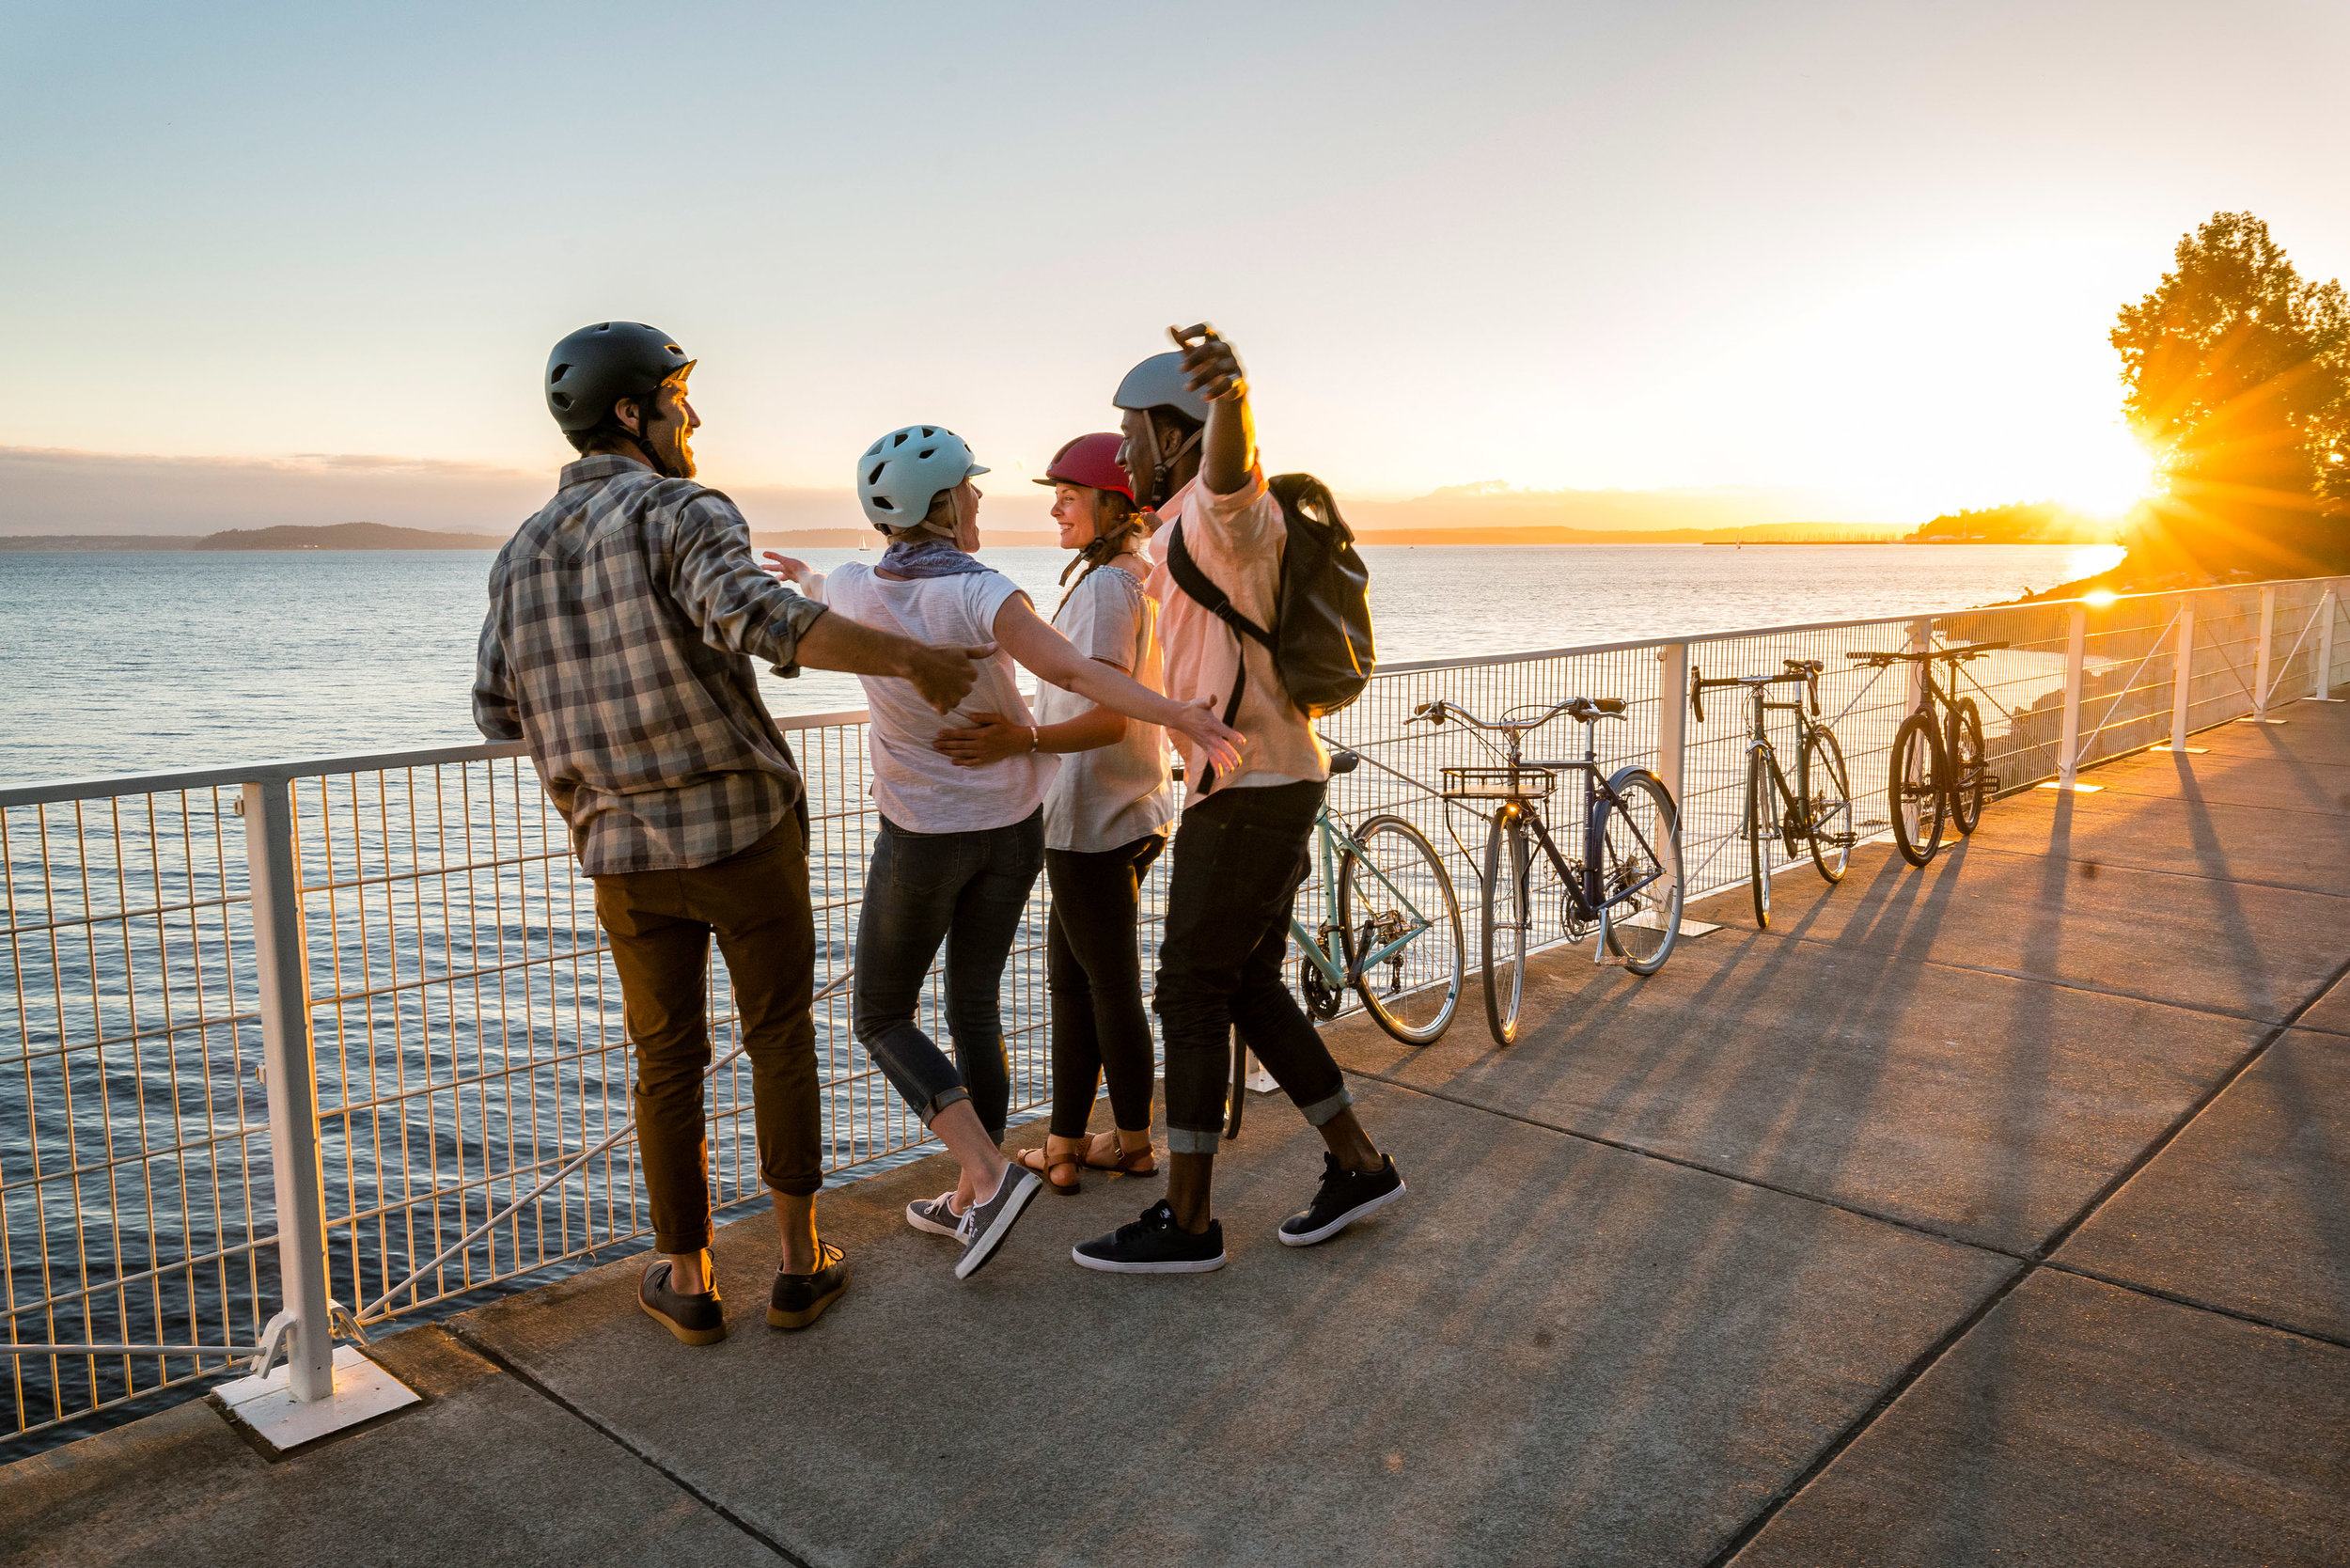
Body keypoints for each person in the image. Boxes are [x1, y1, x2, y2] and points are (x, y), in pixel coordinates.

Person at [475, 322, 992, 1344]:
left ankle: (687, 1281)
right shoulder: (680, 508)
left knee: (664, 1060)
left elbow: (497, 708)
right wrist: (910, 661)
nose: (693, 416)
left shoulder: (521, 551)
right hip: (739, 834)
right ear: (633, 412)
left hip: (621, 852)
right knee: (778, 1039)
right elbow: (760, 618)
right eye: (679, 397)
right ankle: (799, 1265)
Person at [766, 424, 1240, 1279]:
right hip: (1015, 828)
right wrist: (1178, 715)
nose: (983, 499)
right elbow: (1086, 674)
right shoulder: (986, 593)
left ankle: (985, 1177)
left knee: (879, 1012)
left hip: (922, 836)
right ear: (945, 504)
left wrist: (801, 578)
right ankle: (965, 1200)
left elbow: (826, 598)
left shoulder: (852, 585)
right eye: (972, 488)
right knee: (974, 1007)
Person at [1071, 327, 1405, 1276]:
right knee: (1247, 984)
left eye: (1131, 435)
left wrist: (1231, 396)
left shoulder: (1220, 518)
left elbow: (1233, 478)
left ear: (1173, 436)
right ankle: (1359, 1164)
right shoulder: (1175, 528)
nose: (1121, 453)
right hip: (1257, 780)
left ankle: (1187, 1220)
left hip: (1252, 788)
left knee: (1187, 987)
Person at [930, 434, 1172, 1194]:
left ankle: (1133, 1144)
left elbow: (1105, 716)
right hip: (1125, 807)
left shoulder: (1106, 588)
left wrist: (1020, 737)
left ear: (1110, 502)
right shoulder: (1134, 575)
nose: (1055, 506)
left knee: (1105, 988)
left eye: (1069, 494)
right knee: (1078, 988)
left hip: (1093, 815)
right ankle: (1067, 1146)